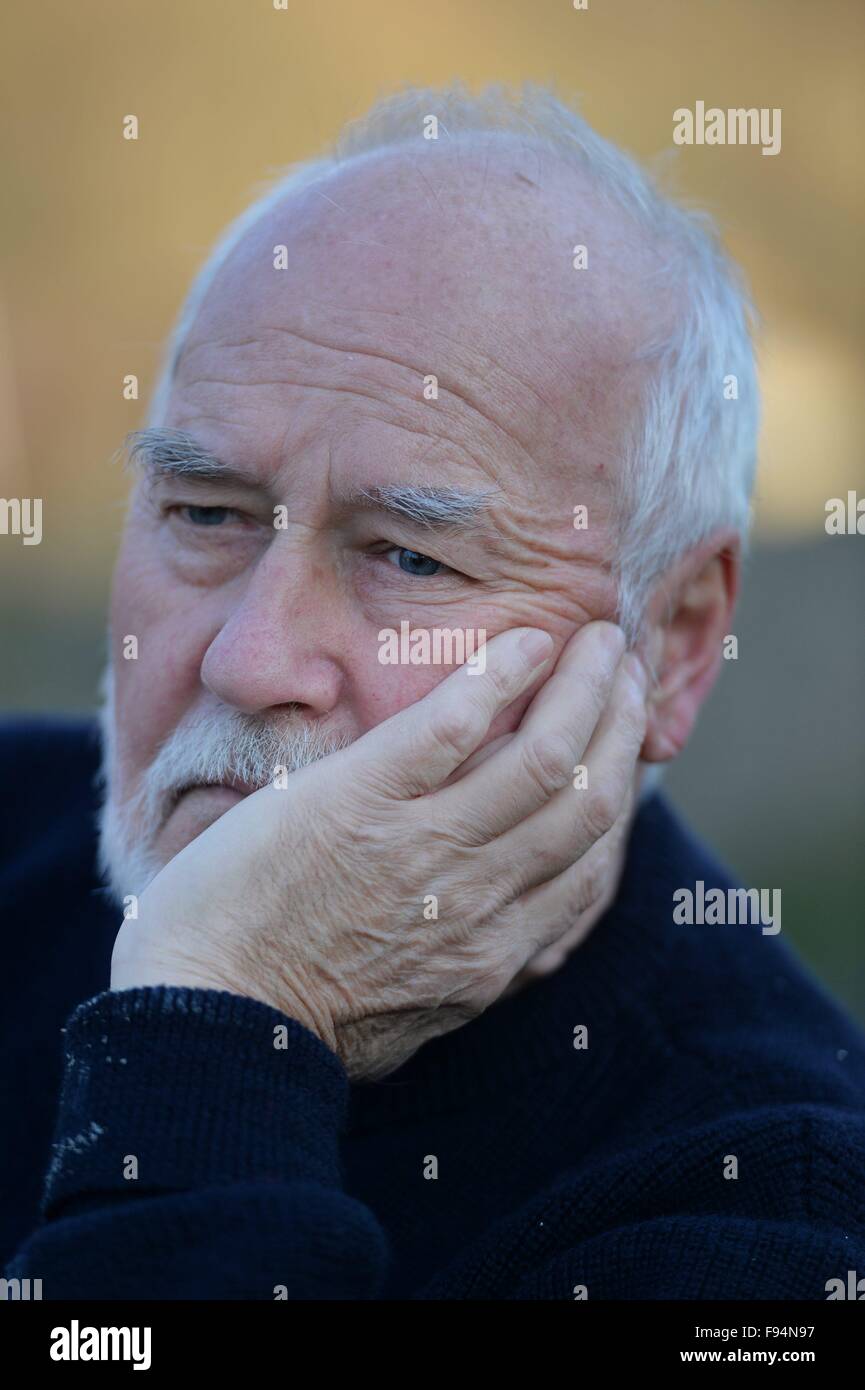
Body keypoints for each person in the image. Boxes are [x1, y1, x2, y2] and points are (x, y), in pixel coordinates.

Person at [3, 84, 864, 1300]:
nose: (248, 660)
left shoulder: (763, 1210)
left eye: (409, 555)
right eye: (206, 514)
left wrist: (226, 1022)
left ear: (673, 642)